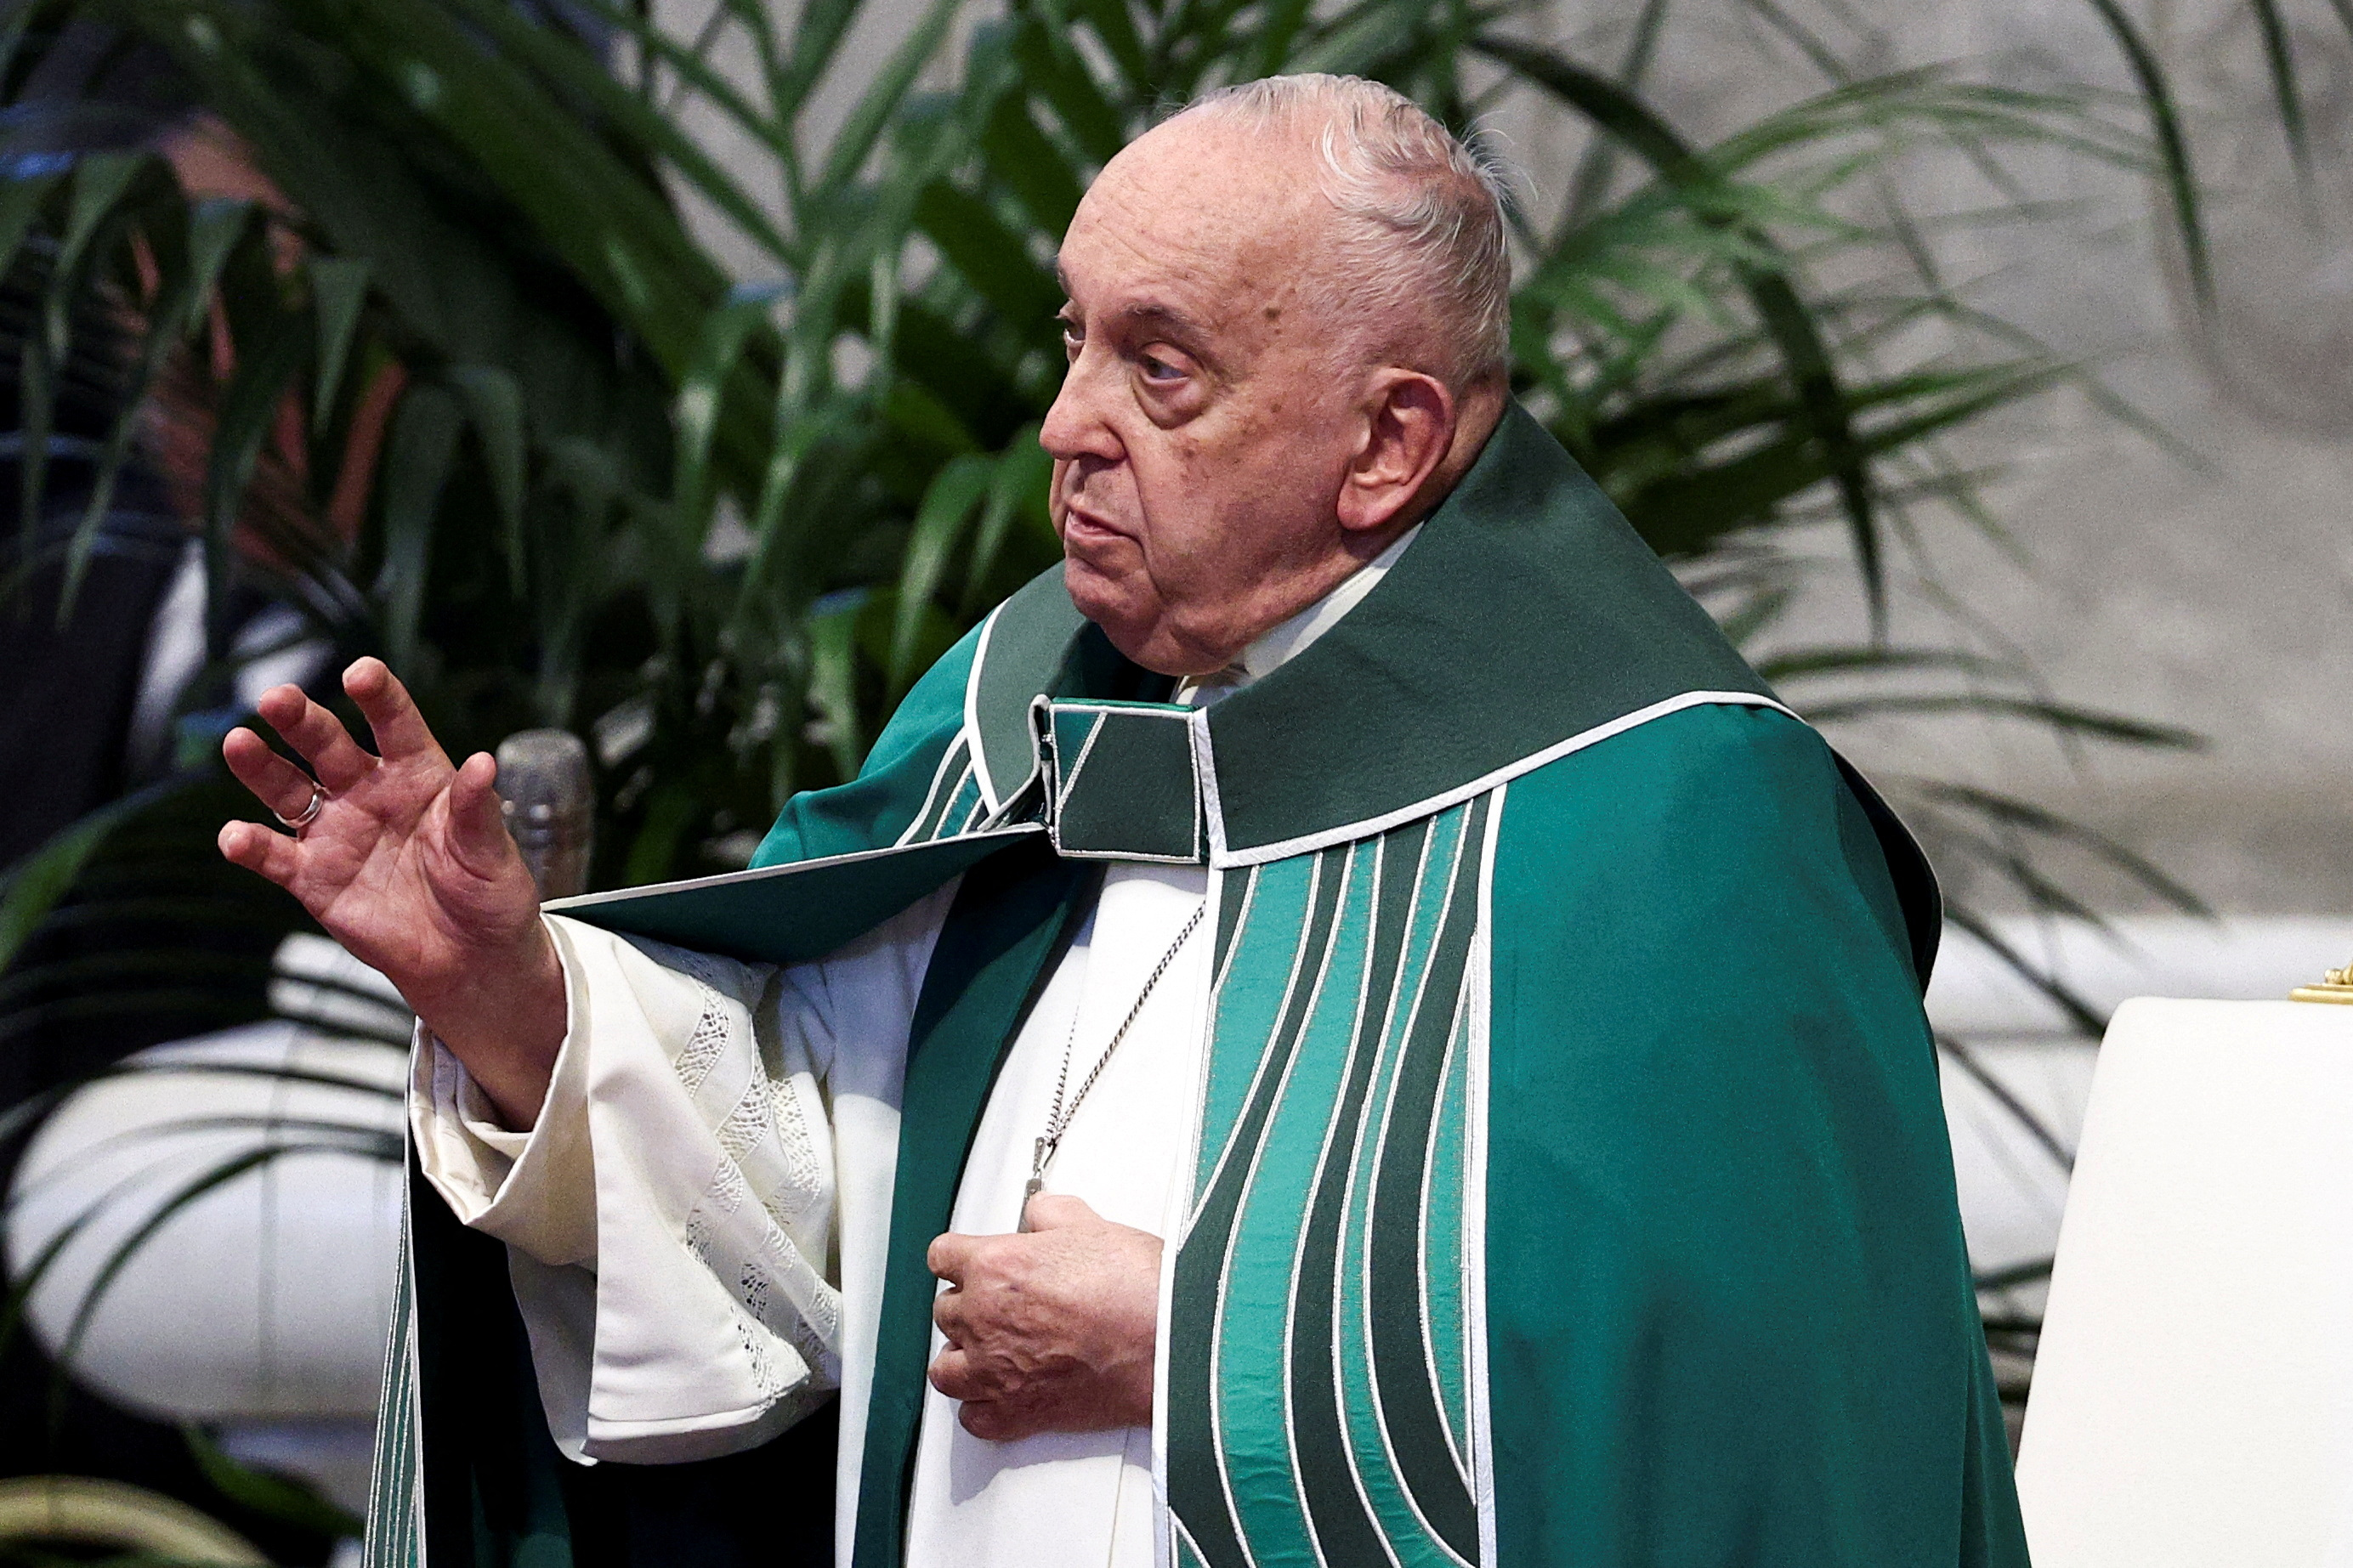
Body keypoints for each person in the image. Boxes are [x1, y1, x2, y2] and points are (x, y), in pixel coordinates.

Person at [220, 73, 2027, 1568]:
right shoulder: (1023, 706)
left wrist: (1194, 1346)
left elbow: (1756, 1415)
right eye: (1074, 337)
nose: (1061, 426)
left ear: (1386, 444)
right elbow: (805, 1179)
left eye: (1159, 370)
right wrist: (514, 1002)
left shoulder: (1672, 818)